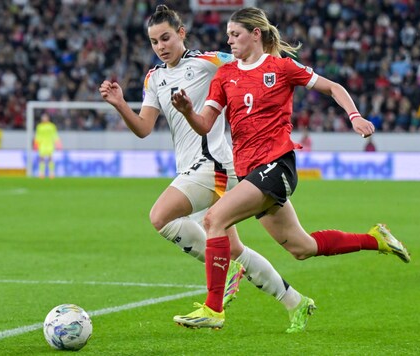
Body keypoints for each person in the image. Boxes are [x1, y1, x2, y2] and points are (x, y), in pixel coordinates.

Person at [171, 7, 410, 330]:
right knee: (302, 247)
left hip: (277, 165)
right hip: (250, 172)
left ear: (256, 34)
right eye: (228, 35)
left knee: (215, 219)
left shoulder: (282, 67)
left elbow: (333, 88)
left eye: (235, 34)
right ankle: (375, 239)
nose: (229, 41)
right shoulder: (225, 76)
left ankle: (213, 309)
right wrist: (187, 111)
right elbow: (204, 125)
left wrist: (355, 116)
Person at [100, 5, 313, 332]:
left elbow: (251, 60)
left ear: (181, 33)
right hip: (194, 169)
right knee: (235, 249)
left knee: (160, 217)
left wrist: (276, 70)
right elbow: (144, 128)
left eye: (166, 37)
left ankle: (226, 273)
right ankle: (296, 302)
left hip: (214, 165)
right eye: (154, 41)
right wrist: (119, 105)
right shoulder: (154, 78)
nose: (161, 46)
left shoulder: (208, 62)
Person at [34, 112, 62, 178]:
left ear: (48, 118)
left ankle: (51, 173)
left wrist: (58, 143)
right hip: (42, 144)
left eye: (45, 117)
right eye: (43, 117)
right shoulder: (39, 126)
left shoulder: (52, 126)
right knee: (41, 159)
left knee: (50, 158)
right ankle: (41, 173)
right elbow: (37, 136)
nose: (44, 118)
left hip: (50, 144)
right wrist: (36, 144)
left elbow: (55, 135)